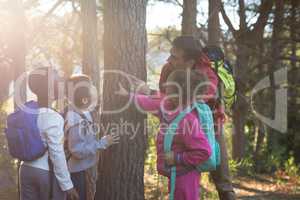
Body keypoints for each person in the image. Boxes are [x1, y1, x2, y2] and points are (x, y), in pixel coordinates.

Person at [135, 36, 236, 200]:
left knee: (221, 176)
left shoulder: (207, 73)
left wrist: (153, 95)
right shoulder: (168, 68)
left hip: (209, 122)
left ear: (190, 61)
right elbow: (165, 96)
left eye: (174, 57)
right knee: (182, 173)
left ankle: (226, 194)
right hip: (182, 125)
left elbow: (193, 98)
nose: (169, 59)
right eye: (170, 54)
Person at [120, 69, 212, 200]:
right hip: (177, 174)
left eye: (168, 89)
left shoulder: (189, 120)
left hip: (186, 176)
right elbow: (149, 103)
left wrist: (177, 158)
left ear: (178, 95)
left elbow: (204, 151)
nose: (165, 90)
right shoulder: (169, 107)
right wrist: (128, 96)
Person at [20, 67, 78, 200]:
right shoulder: (54, 117)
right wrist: (67, 185)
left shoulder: (27, 112)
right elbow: (56, 153)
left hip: (25, 169)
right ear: (52, 93)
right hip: (44, 172)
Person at [65, 74, 120, 200]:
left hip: (83, 171)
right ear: (83, 98)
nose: (94, 90)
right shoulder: (75, 119)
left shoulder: (83, 112)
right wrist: (102, 143)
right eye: (90, 89)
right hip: (75, 174)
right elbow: (77, 151)